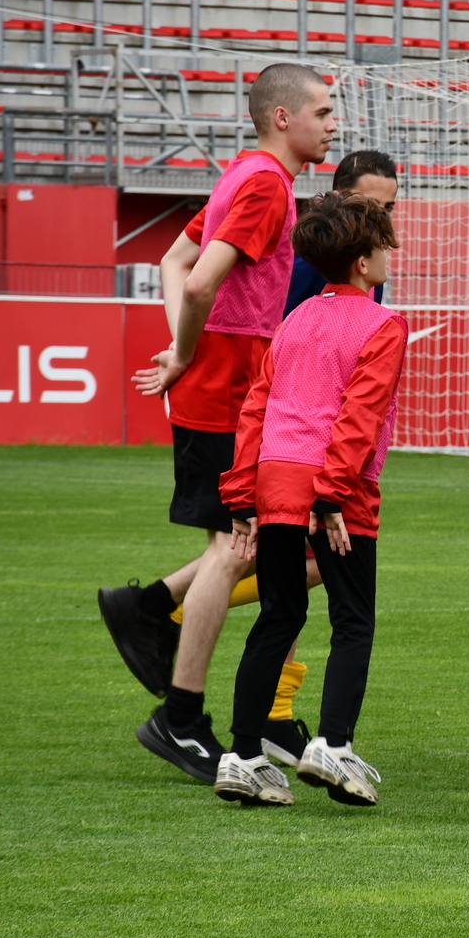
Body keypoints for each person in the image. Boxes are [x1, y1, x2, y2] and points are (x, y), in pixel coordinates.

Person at [98, 63, 336, 784]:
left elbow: (173, 259)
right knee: (239, 547)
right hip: (228, 385)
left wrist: (183, 350)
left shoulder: (245, 173)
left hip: (223, 380)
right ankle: (181, 714)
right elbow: (199, 278)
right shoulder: (266, 185)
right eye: (324, 112)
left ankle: (150, 612)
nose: (333, 124)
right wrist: (186, 353)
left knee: (250, 547)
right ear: (283, 118)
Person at [213, 192, 407, 808]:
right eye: (383, 249)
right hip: (335, 488)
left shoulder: (293, 319)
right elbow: (359, 416)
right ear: (363, 263)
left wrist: (241, 493)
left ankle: (242, 756)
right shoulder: (383, 324)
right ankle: (334, 745)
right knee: (353, 619)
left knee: (279, 615)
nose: (389, 258)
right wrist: (332, 495)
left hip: (274, 478)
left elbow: (257, 407)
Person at [285, 150, 398, 315]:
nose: (380, 217)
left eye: (388, 208)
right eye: (369, 204)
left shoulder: (375, 268)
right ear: (337, 199)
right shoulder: (314, 262)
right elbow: (279, 320)